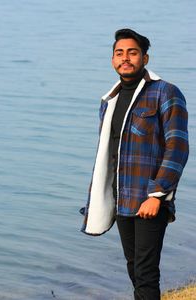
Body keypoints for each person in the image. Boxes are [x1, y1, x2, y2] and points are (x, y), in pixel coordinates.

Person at [80, 28, 189, 299]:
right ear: (112, 59)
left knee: (146, 272)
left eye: (132, 52)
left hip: (150, 201)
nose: (125, 58)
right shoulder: (110, 100)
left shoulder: (166, 92)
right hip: (122, 200)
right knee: (134, 270)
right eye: (119, 53)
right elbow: (110, 154)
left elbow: (177, 148)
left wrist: (158, 195)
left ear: (145, 59)